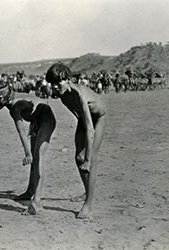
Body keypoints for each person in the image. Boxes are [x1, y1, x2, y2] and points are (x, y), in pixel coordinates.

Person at [45, 62, 107, 219]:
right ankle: (87, 190)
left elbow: (91, 129)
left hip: (98, 119)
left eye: (58, 83)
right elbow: (78, 115)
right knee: (78, 157)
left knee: (90, 159)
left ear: (67, 79)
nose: (55, 87)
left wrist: (87, 159)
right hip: (84, 119)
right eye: (52, 84)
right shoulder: (62, 96)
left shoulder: (80, 94)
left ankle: (88, 204)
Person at [0, 81, 56, 215]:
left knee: (37, 159)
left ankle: (37, 202)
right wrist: (34, 120)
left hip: (46, 120)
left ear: (6, 95)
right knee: (34, 160)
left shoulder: (14, 107)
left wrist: (27, 153)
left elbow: (21, 131)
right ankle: (30, 192)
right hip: (37, 118)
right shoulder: (12, 97)